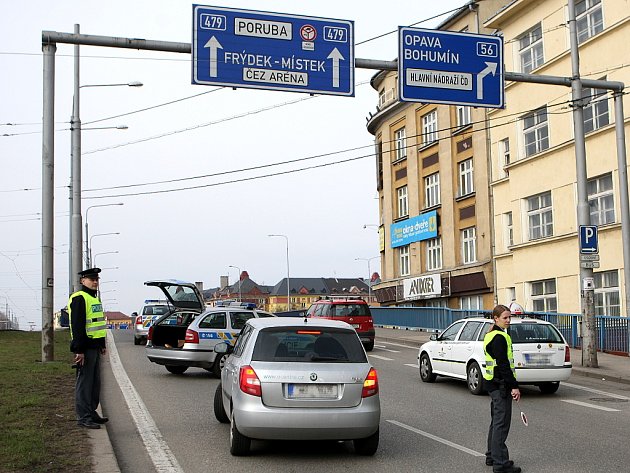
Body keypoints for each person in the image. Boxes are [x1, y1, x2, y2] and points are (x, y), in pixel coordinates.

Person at [68, 267, 108, 429]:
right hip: (85, 348)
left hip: (95, 347)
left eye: (96, 279)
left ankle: (91, 412)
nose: (95, 282)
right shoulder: (80, 298)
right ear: (82, 281)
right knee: (85, 384)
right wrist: (79, 351)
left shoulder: (94, 298)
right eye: (91, 279)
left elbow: (97, 324)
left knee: (94, 383)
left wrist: (102, 344)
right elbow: (77, 326)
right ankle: (83, 417)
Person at [484, 304, 522, 473]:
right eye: (505, 318)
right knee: (501, 423)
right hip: (500, 385)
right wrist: (514, 386)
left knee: (496, 422)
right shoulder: (499, 337)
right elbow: (504, 364)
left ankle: (492, 456)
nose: (508, 320)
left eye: (509, 317)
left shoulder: (491, 335)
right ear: (496, 318)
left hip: (493, 383)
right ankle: (500, 464)